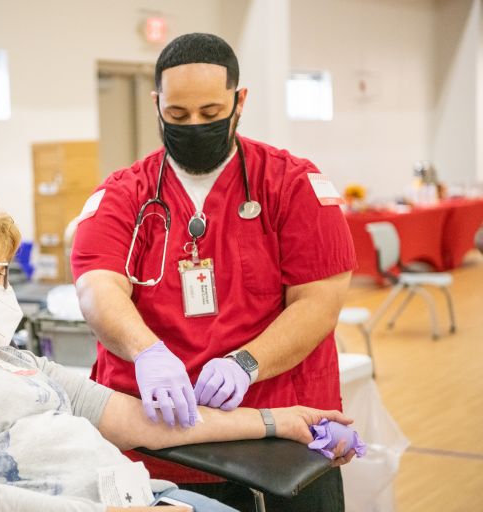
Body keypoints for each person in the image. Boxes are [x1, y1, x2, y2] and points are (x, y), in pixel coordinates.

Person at [0, 195, 354, 512]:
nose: (7, 290)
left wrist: (277, 420)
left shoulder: (10, 359)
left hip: (135, 497)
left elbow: (137, 421)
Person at [70, 33, 357, 510]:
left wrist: (247, 363)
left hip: (283, 430)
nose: (194, 126)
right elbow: (97, 286)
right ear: (157, 103)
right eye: (178, 116)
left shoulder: (292, 184)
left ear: (239, 101)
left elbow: (320, 301)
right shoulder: (125, 193)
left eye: (210, 113)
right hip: (161, 437)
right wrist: (147, 354)